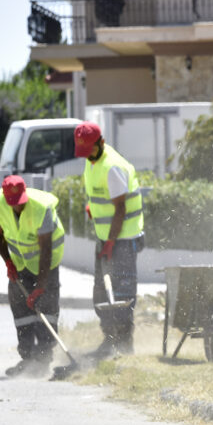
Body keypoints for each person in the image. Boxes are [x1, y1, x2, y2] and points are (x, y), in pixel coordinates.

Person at [74, 122, 145, 358]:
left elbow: (121, 209)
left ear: (101, 142)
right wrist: (92, 207)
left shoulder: (113, 167)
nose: (87, 156)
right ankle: (109, 340)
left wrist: (111, 243)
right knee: (102, 292)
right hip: (106, 239)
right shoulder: (92, 161)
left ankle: (124, 346)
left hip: (122, 240)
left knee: (122, 295)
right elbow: (102, 197)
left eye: (90, 151)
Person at [0, 176, 65, 377]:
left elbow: (46, 249)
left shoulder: (42, 208)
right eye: (13, 204)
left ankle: (43, 358)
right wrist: (8, 261)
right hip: (20, 260)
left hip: (47, 261)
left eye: (20, 203)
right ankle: (27, 358)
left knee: (45, 305)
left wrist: (40, 287)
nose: (18, 207)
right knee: (19, 302)